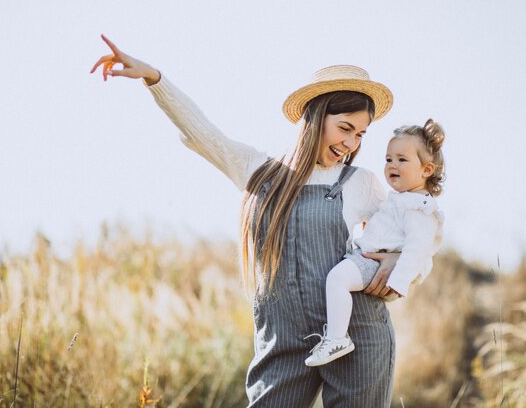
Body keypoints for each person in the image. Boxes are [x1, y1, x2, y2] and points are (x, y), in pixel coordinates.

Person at [91, 34, 401, 408]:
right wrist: (155, 79)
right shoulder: (259, 172)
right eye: (345, 129)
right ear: (316, 118)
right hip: (283, 340)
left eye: (361, 134)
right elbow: (202, 132)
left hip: (356, 336)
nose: (351, 144)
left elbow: (408, 232)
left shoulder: (362, 183)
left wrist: (397, 263)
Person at [304, 119, 446, 367]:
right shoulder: (401, 199)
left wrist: (400, 280)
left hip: (376, 264)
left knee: (337, 279)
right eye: (388, 159)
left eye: (402, 160)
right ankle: (335, 335)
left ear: (426, 170)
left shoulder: (420, 208)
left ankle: (337, 338)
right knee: (338, 279)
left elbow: (418, 249)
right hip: (368, 256)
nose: (392, 165)